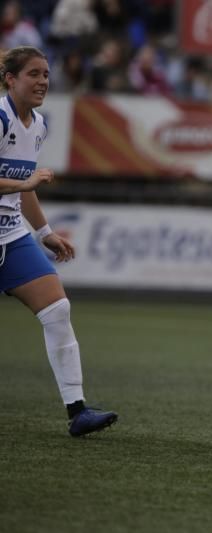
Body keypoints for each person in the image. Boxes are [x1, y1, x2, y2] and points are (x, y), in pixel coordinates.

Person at [0, 46, 118, 436]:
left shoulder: (38, 125)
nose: (43, 81)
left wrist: (46, 233)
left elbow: (24, 187)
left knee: (57, 311)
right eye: (34, 74)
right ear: (10, 79)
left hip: (11, 233)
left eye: (46, 74)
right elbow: (24, 182)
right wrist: (24, 183)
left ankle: (77, 411)